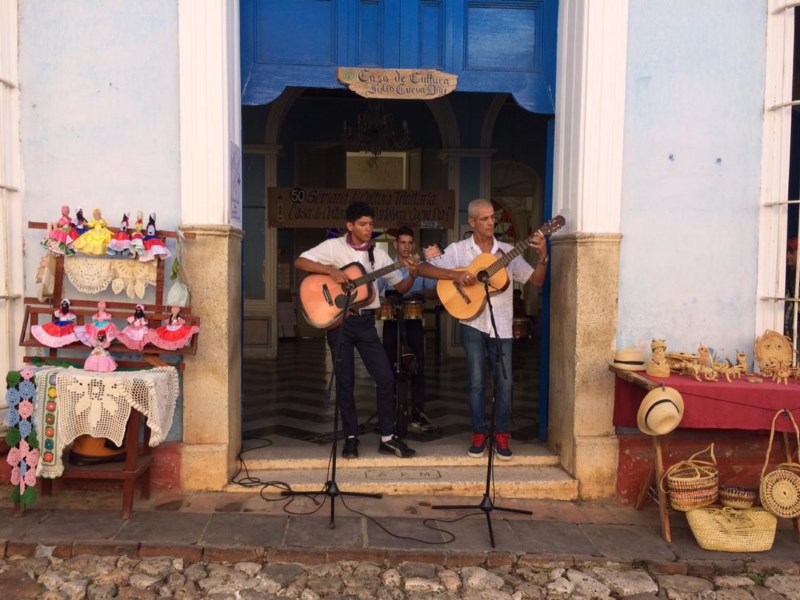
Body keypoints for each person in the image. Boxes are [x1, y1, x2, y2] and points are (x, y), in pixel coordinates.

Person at [417, 199, 548, 460]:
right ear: (472, 222)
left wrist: (543, 254)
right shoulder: (459, 250)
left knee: (506, 383)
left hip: (502, 326)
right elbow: (423, 267)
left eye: (492, 218)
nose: (491, 223)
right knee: (476, 383)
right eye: (485, 218)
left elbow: (537, 280)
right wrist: (456, 276)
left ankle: (501, 434)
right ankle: (478, 433)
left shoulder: (508, 252)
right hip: (472, 324)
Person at [294, 202, 417, 459]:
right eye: (363, 224)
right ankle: (350, 437)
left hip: (365, 324)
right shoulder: (332, 247)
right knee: (346, 382)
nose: (368, 228)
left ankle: (387, 436)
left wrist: (413, 274)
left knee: (386, 378)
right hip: (340, 324)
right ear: (350, 226)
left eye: (371, 224)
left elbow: (402, 288)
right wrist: (330, 270)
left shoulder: (379, 256)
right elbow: (300, 262)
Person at [379, 226, 437, 432]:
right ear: (396, 244)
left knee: (417, 366)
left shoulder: (421, 265)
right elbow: (376, 294)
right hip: (391, 320)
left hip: (413, 320)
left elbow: (434, 292)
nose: (406, 246)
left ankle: (417, 414)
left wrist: (421, 291)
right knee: (388, 367)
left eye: (409, 243)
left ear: (413, 245)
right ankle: (391, 415)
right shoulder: (386, 266)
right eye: (402, 242)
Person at [785, 237, 797, 339]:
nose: (788, 256)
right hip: (789, 331)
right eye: (786, 252)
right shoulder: (788, 275)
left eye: (792, 252)